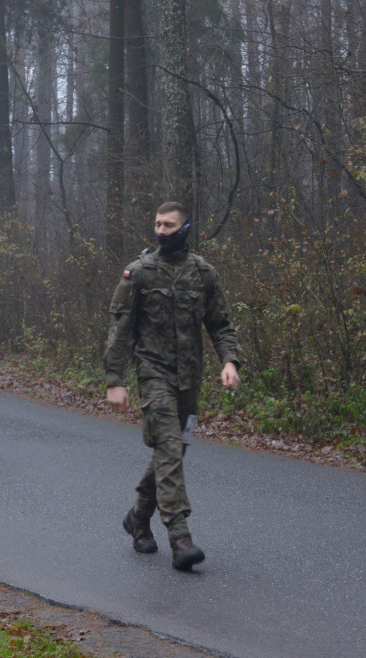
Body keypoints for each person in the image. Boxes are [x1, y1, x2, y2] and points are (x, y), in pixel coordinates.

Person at [103, 201, 242, 572]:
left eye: (169, 225)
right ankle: (180, 537)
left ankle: (137, 517)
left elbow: (221, 325)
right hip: (153, 374)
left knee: (174, 452)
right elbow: (120, 331)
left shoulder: (203, 274)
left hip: (189, 379)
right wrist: (114, 380)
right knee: (167, 446)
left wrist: (229, 361)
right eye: (158, 224)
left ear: (185, 228)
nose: (162, 230)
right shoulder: (139, 273)